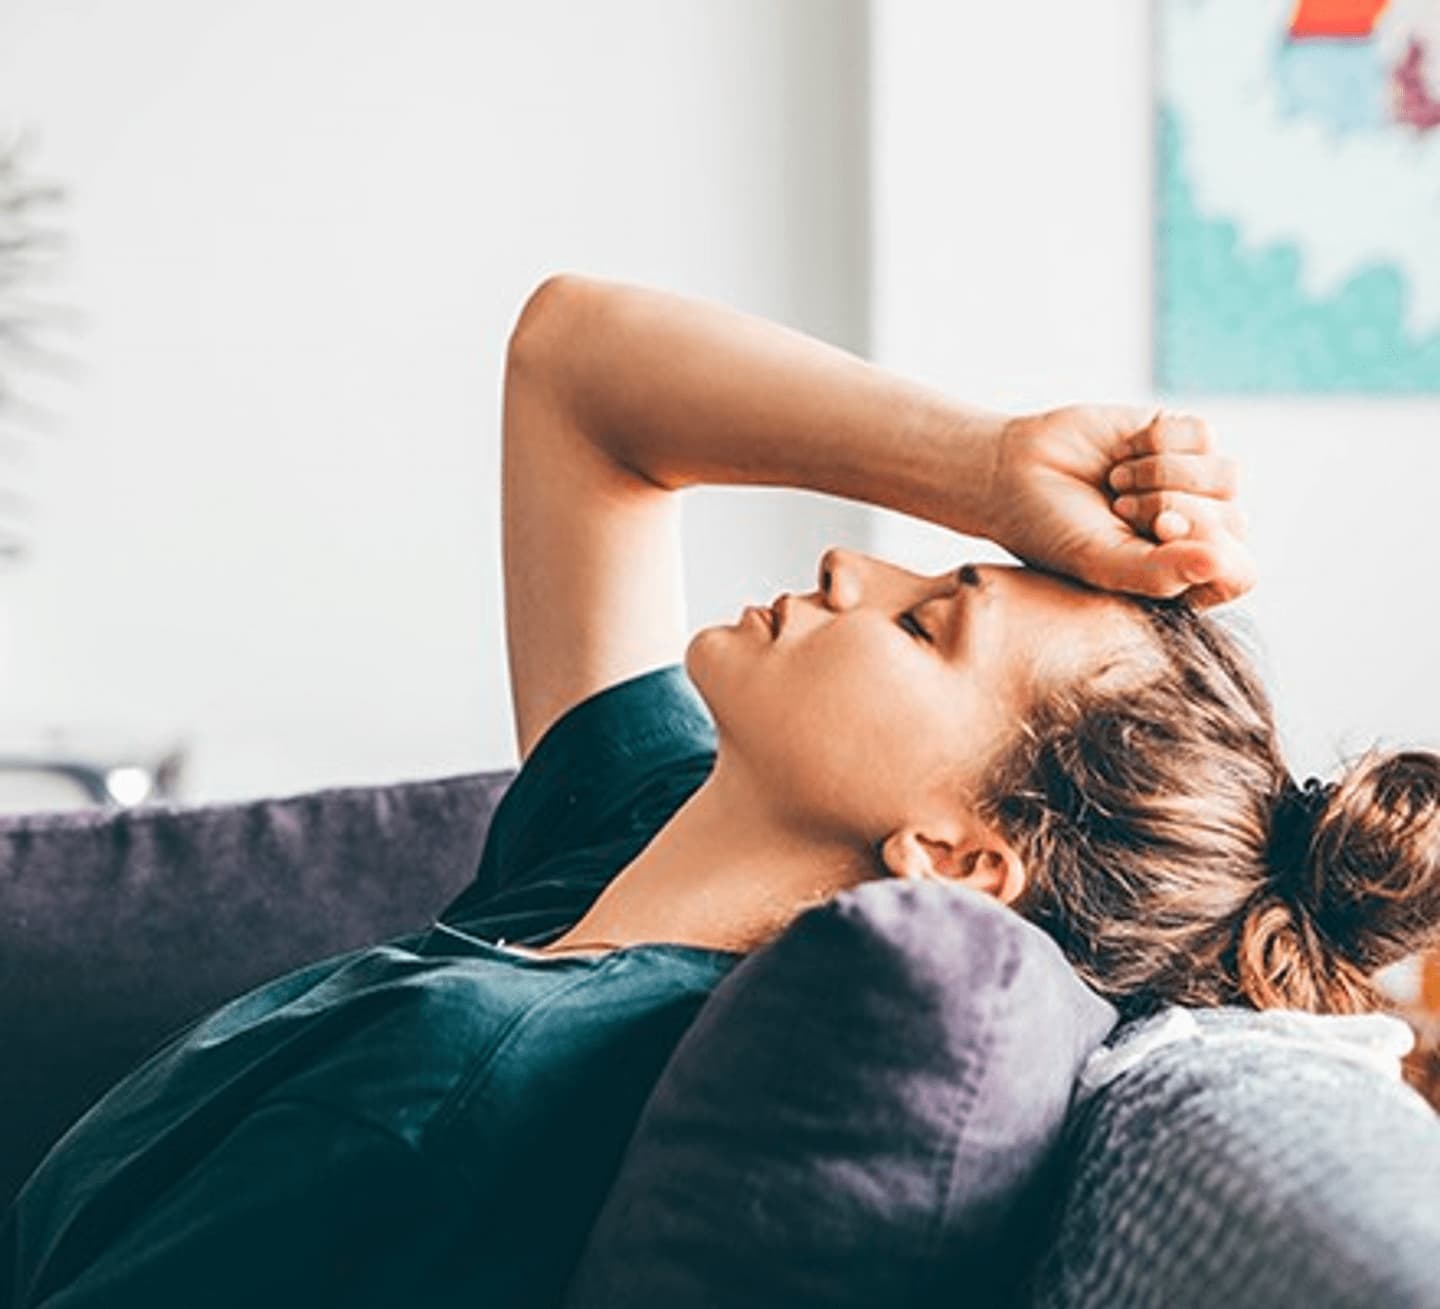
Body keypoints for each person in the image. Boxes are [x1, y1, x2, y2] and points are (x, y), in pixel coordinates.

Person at [4, 274, 1434, 1307]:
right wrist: (993, 470)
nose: (851, 568)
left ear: (957, 851)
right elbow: (578, 367)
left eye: (928, 621)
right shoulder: (626, 849)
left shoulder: (462, 1078)